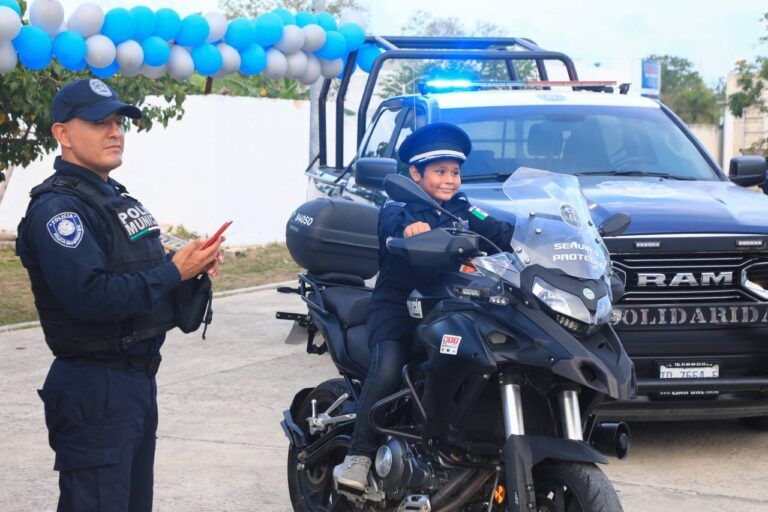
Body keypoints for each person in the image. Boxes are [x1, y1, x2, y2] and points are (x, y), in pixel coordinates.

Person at [15, 78, 224, 512]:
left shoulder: (116, 200)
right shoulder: (60, 211)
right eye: (99, 123)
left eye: (118, 122)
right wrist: (172, 272)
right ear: (63, 134)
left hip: (133, 383)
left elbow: (146, 278)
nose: (115, 132)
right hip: (95, 387)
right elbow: (90, 297)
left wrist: (192, 270)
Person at [335, 123, 516, 491]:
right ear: (415, 174)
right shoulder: (400, 205)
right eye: (440, 172)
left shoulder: (464, 209)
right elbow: (394, 227)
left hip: (450, 304)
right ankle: (359, 454)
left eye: (455, 172)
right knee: (388, 366)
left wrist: (542, 235)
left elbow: (499, 229)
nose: (450, 180)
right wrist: (410, 233)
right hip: (400, 306)